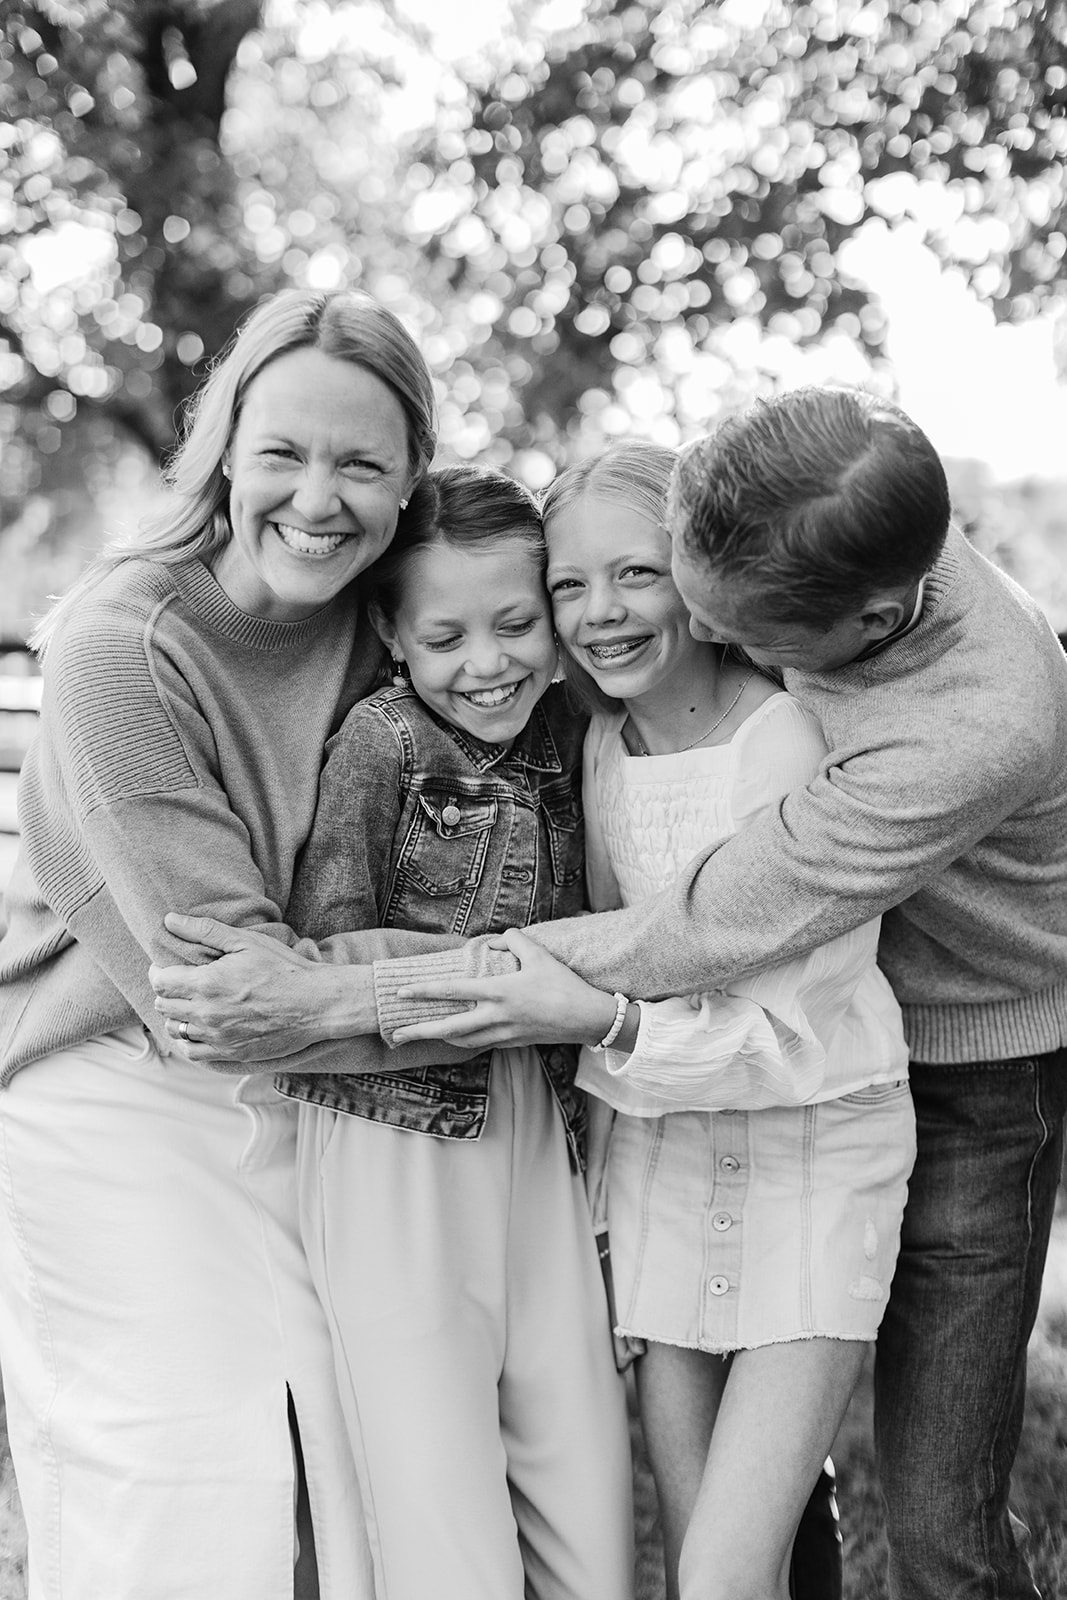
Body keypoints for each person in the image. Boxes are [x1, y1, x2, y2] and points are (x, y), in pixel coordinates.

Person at [152, 386, 1067, 1600]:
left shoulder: (953, 725)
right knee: (739, 1529)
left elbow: (701, 929)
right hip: (682, 1122)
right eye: (581, 589)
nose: (614, 622)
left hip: (951, 1048)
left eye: (699, 609)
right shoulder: (792, 525)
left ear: (862, 616)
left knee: (934, 1510)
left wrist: (341, 1000)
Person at [0, 285, 458, 1599]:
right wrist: (521, 992)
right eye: (284, 455)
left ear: (410, 479)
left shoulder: (402, 625)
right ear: (224, 452)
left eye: (361, 463)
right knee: (187, 1486)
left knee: (341, 1488)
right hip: (113, 1090)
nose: (319, 499)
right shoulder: (127, 643)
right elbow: (221, 989)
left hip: (326, 1096)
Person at [487, 441, 913, 1600]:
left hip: (810, 1157)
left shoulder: (782, 740)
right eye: (567, 586)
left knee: (724, 1577)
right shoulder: (598, 749)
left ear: (697, 575)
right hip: (667, 1167)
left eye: (632, 574)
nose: (597, 614)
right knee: (702, 1560)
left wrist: (602, 1023)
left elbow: (786, 1033)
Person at [274, 461, 633, 1600]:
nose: (487, 663)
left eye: (517, 623)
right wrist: (492, 978)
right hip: (394, 1134)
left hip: (536, 1123)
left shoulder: (572, 726)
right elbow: (325, 947)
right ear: (389, 631)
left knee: (583, 1488)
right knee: (436, 1510)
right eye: (445, 637)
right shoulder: (379, 743)